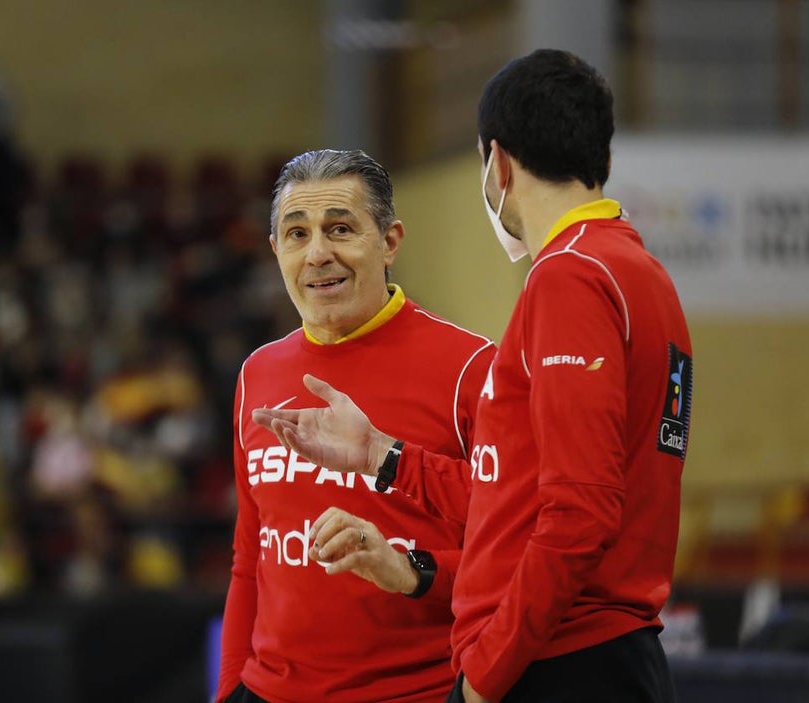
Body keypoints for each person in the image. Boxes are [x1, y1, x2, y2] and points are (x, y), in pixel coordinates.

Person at [254, 50, 693, 703]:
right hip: (599, 650)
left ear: (499, 163)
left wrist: (484, 676)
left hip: (561, 659)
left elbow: (578, 513)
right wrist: (381, 455)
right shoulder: (639, 274)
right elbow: (514, 494)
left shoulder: (569, 277)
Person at [217, 149, 497, 703]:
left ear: (389, 241)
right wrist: (228, 691)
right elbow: (251, 559)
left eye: (340, 229)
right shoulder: (258, 373)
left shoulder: (471, 369)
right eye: (296, 235)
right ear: (276, 251)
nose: (318, 253)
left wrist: (410, 568)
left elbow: (517, 556)